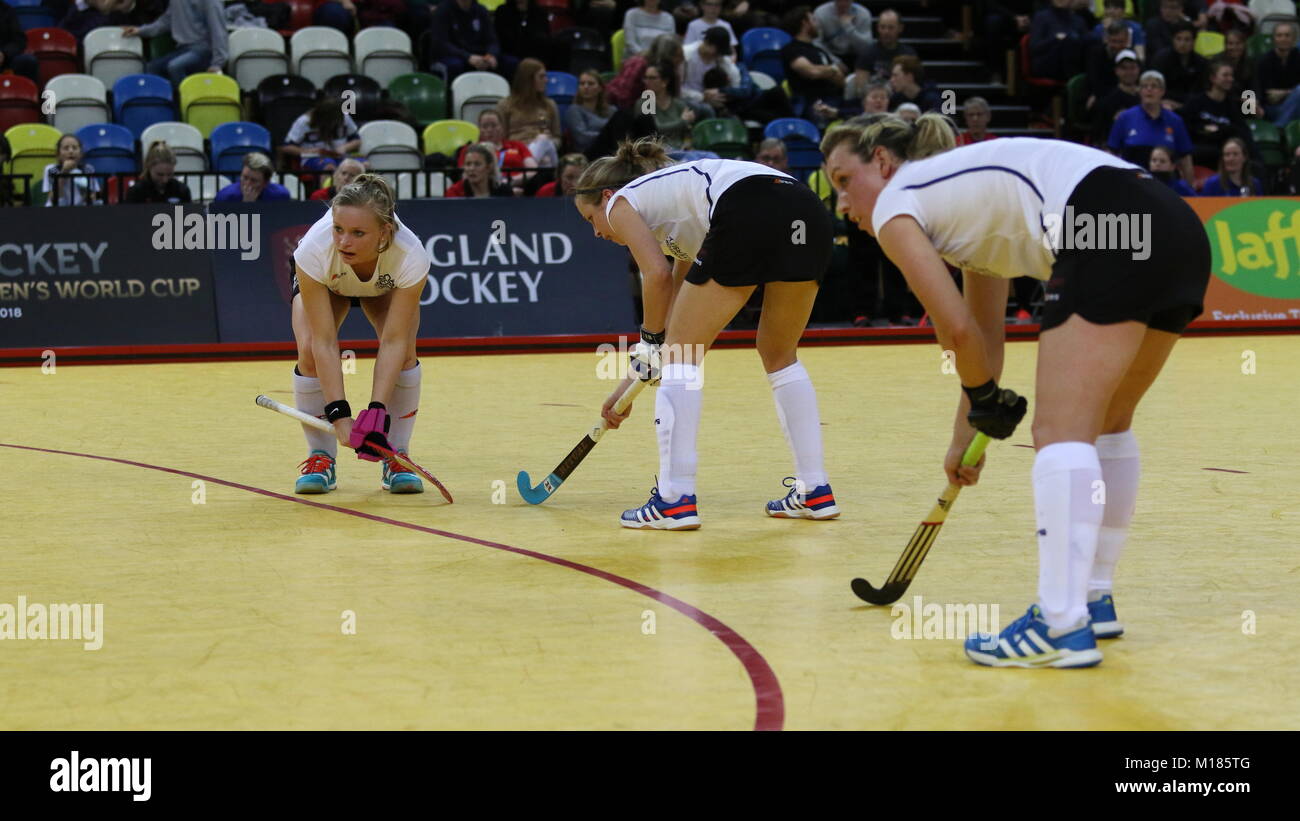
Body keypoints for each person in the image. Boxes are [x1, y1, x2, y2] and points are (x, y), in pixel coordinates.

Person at [823, 114, 1211, 668]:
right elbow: (982, 339)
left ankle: (1059, 622)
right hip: (1174, 224)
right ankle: (1092, 598)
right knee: (1109, 422)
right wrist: (966, 433)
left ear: (882, 163)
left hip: (1103, 218)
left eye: (843, 180)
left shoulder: (896, 202)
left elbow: (953, 331)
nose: (841, 203)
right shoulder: (965, 207)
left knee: (1059, 431)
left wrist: (984, 399)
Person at [573, 137, 837, 529]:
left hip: (750, 206)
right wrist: (637, 376)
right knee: (778, 353)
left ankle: (674, 499)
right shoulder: (683, 215)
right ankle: (815, 490)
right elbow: (686, 320)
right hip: (806, 209)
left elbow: (656, 276)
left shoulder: (620, 203)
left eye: (590, 219)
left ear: (606, 196)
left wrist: (651, 346)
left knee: (682, 358)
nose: (597, 231)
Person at [289, 174, 431, 494]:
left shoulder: (411, 256)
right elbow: (326, 342)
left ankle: (396, 455)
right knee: (310, 349)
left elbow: (393, 341)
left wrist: (376, 413)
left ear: (385, 232)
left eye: (357, 233)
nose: (343, 242)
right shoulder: (314, 249)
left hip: (384, 283)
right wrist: (340, 414)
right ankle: (321, 456)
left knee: (406, 351)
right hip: (328, 281)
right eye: (338, 230)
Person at [1107, 70, 1194, 187]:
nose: (1149, 89)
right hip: (1133, 183)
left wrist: (1190, 188)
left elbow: (1185, 159)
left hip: (1167, 186)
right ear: (1139, 91)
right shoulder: (1125, 118)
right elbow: (1112, 153)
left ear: (1162, 91)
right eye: (1144, 86)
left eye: (1154, 86)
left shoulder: (1175, 121)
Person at [122, 0, 228, 88]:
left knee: (175, 67)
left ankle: (186, 103)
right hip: (183, 49)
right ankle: (164, 108)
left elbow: (218, 31)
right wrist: (141, 30)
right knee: (151, 68)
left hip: (204, 49)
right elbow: (165, 21)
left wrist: (218, 63)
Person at [781, 6, 847, 122]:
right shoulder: (792, 49)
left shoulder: (819, 51)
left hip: (834, 100)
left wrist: (827, 71)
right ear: (805, 23)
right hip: (810, 102)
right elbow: (811, 72)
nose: (818, 25)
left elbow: (841, 80)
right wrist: (832, 70)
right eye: (814, 20)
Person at [1181, 60, 1253, 167]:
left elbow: (1241, 131)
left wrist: (1218, 130)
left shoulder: (1232, 105)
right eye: (1225, 75)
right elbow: (1186, 128)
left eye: (1231, 76)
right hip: (1199, 150)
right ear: (1213, 78)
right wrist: (1205, 129)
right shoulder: (1195, 102)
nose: (1230, 79)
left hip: (1224, 151)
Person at [497, 58, 561, 169]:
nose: (546, 80)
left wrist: (550, 143)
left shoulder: (550, 105)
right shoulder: (505, 105)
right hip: (516, 152)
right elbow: (501, 138)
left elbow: (557, 137)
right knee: (545, 162)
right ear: (528, 80)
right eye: (541, 76)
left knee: (544, 140)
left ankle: (521, 176)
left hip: (545, 147)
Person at [428, 0, 516, 80]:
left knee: (510, 63)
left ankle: (510, 96)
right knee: (455, 65)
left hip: (479, 56)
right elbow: (441, 44)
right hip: (452, 56)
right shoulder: (443, 10)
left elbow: (493, 40)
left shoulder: (481, 10)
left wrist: (491, 55)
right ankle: (452, 96)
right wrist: (467, 57)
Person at [280, 98, 362, 173]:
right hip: (314, 158)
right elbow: (287, 147)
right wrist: (307, 151)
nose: (332, 124)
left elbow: (357, 140)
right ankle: (329, 189)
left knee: (363, 164)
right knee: (329, 166)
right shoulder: (304, 122)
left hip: (341, 156)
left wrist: (345, 147)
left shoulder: (344, 117)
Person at [1150, 21, 1207, 108]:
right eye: (1178, 39)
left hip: (1192, 105)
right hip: (1166, 103)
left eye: (1187, 40)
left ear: (1194, 41)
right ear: (1173, 40)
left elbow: (1201, 91)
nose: (1182, 44)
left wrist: (1183, 105)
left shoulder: (1201, 62)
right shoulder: (1161, 59)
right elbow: (1156, 87)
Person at [1029, 0, 1090, 82]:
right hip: (1047, 62)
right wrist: (1056, 39)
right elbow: (1034, 48)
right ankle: (1074, 83)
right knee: (1068, 43)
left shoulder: (1078, 20)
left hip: (1075, 61)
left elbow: (1087, 42)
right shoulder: (1041, 17)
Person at [854, 8, 915, 87]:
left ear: (900, 28)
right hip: (875, 97)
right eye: (882, 27)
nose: (886, 31)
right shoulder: (866, 53)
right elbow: (861, 86)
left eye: (891, 28)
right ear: (877, 28)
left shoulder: (908, 54)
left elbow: (914, 85)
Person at [641, 61, 695, 149]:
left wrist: (687, 144)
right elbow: (655, 129)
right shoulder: (645, 103)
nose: (647, 81)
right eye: (645, 78)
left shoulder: (678, 104)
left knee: (710, 155)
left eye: (652, 78)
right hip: (657, 152)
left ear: (665, 82)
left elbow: (687, 132)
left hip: (680, 150)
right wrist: (682, 121)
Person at [1092, 48, 1141, 144]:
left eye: (1132, 67)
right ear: (1116, 71)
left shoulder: (1146, 97)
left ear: (1138, 69)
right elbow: (1100, 135)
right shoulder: (1107, 101)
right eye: (1124, 68)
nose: (1129, 72)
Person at [1258, 21, 1300, 127]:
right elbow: (1270, 96)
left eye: (1287, 35)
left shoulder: (1298, 57)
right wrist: (1292, 93)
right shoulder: (1265, 61)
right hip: (1271, 109)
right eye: (1279, 35)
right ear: (1274, 39)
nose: (1283, 39)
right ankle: (1279, 127)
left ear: (1294, 39)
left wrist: (1285, 93)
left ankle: (1280, 126)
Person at [125, 141, 194, 204]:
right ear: (149, 167)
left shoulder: (182, 190)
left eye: (169, 174)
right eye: (160, 174)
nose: (165, 180)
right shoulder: (136, 192)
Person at [43, 134, 101, 207]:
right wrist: (64, 172)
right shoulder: (51, 169)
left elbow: (93, 196)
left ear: (80, 153)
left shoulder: (88, 169)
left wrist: (88, 194)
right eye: (66, 148)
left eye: (75, 148)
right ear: (58, 154)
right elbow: (53, 198)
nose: (71, 151)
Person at [565, 70, 615, 154]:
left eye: (590, 83)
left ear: (600, 88)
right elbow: (582, 138)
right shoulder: (574, 110)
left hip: (610, 153)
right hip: (587, 153)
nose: (586, 87)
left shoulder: (612, 110)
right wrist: (607, 136)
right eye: (582, 83)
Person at [813, 0, 873, 67]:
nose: (843, 3)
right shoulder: (820, 12)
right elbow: (817, 43)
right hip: (831, 54)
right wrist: (835, 61)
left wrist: (849, 28)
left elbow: (866, 48)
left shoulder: (863, 13)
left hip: (856, 56)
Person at [214, 153, 292, 202]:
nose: (247, 184)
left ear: (265, 182)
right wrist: (247, 206)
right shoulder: (225, 197)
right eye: (245, 177)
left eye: (254, 180)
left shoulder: (280, 195)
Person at [444, 143, 514, 196]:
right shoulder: (454, 193)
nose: (471, 168)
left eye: (477, 164)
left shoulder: (504, 192)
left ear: (488, 168)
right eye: (468, 164)